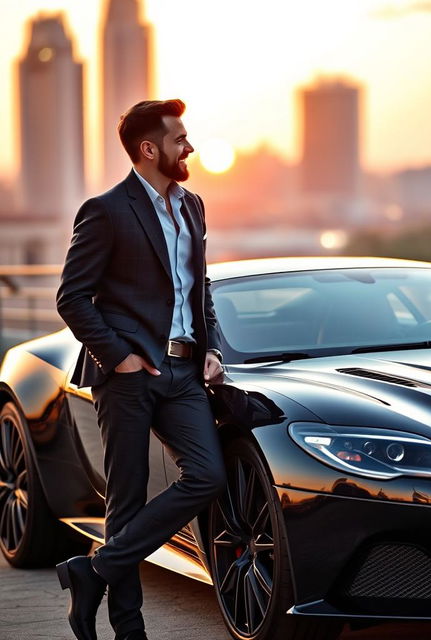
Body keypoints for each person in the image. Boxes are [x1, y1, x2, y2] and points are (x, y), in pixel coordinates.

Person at [55, 99, 226, 640]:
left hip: (185, 373)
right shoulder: (105, 210)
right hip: (129, 376)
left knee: (206, 476)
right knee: (125, 502)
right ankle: (129, 631)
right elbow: (72, 297)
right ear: (149, 149)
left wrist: (212, 346)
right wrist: (119, 356)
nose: (189, 147)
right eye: (179, 139)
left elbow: (200, 289)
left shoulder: (194, 205)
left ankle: (94, 570)